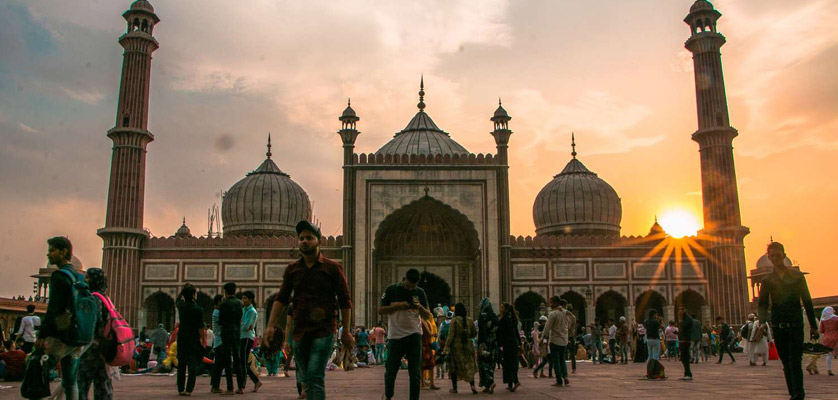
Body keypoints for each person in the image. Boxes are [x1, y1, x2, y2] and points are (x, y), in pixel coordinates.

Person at [263, 220, 354, 400]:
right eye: (302, 238)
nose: (305, 241)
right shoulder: (292, 269)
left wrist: (347, 331)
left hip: (324, 330)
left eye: (309, 238)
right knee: (303, 379)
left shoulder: (332, 268)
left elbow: (345, 300)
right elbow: (281, 299)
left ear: (319, 241)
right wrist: (270, 326)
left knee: (314, 376)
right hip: (300, 331)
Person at [758, 241, 819, 400]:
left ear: (784, 255)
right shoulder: (767, 281)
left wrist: (813, 325)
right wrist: (762, 322)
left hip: (795, 324)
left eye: (778, 255)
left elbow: (807, 301)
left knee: (795, 362)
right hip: (779, 325)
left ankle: (799, 394)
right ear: (769, 258)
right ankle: (794, 393)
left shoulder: (797, 277)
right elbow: (763, 304)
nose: (775, 258)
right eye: (772, 256)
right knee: (786, 363)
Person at [36, 236, 88, 399]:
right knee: (70, 381)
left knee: (37, 370)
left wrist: (42, 335)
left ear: (64, 251)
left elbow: (54, 309)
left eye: (52, 250)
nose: (48, 254)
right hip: (77, 334)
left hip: (61, 335)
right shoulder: (79, 277)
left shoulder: (60, 276)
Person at [378, 268, 432, 400]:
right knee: (391, 370)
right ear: (404, 279)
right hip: (396, 335)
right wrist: (399, 305)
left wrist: (419, 307)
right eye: (408, 285)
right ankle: (389, 395)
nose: (410, 289)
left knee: (415, 372)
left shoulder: (420, 292)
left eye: (413, 286)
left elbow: (428, 316)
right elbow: (380, 310)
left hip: (414, 334)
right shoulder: (392, 290)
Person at [76, 268, 113, 400]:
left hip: (92, 349)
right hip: (104, 348)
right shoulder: (106, 297)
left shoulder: (95, 298)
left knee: (81, 384)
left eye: (88, 277)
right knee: (103, 385)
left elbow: (94, 323)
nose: (85, 280)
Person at [175, 283, 205, 396]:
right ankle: (189, 390)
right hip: (193, 338)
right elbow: (201, 327)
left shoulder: (181, 306)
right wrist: (203, 340)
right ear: (193, 295)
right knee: (192, 365)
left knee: (181, 364)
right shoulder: (198, 309)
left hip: (182, 338)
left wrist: (182, 291)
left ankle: (180, 389)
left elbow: (177, 300)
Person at [215, 282, 244, 395]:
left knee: (227, 360)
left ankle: (230, 388)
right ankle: (240, 387)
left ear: (225, 292)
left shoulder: (224, 304)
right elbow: (240, 317)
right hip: (237, 332)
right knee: (238, 359)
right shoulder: (239, 303)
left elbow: (221, 321)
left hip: (226, 332)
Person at [443, 303, 478, 394]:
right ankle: (473, 386)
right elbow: (474, 333)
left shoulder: (454, 320)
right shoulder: (470, 320)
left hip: (456, 347)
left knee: (454, 367)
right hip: (468, 346)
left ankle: (455, 388)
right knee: (469, 366)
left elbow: (451, 335)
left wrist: (446, 347)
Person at [542, 297, 569, 387]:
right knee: (562, 360)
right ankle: (565, 376)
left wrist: (542, 338)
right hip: (564, 340)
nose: (550, 304)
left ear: (556, 303)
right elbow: (572, 321)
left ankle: (559, 380)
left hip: (555, 340)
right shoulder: (565, 313)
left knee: (556, 361)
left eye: (551, 302)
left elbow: (547, 327)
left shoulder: (553, 314)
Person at [239, 291, 263, 392]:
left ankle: (243, 386)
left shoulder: (252, 311)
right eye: (242, 298)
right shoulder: (244, 309)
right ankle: (255, 381)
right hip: (243, 336)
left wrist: (238, 326)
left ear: (250, 299)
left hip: (247, 337)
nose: (243, 300)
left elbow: (247, 326)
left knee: (243, 362)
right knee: (243, 362)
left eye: (245, 298)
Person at [476, 297, 498, 393]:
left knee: (483, 364)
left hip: (484, 343)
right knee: (491, 364)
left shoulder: (482, 316)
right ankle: (487, 386)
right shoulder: (494, 316)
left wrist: (480, 343)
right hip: (493, 344)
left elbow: (482, 331)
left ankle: (490, 382)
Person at [498, 302, 521, 392]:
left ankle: (515, 381)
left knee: (508, 363)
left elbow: (502, 332)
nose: (501, 309)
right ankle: (510, 384)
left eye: (502, 307)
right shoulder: (512, 318)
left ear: (506, 309)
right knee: (512, 362)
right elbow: (516, 332)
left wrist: (499, 342)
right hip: (513, 343)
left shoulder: (504, 319)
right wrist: (519, 343)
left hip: (508, 344)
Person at [209, 294, 226, 393]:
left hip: (218, 341)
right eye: (223, 300)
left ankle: (214, 385)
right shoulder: (218, 312)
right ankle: (215, 386)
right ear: (219, 302)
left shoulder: (216, 311)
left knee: (218, 365)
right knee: (219, 365)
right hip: (220, 341)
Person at [819, 306, 838, 376]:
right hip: (836, 337)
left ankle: (829, 369)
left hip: (826, 338)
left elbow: (821, 330)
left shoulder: (823, 320)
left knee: (828, 354)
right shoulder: (836, 318)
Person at [677, 306, 694, 380]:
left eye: (681, 310)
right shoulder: (684, 318)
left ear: (684, 310)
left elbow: (684, 327)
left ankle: (688, 374)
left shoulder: (687, 319)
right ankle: (687, 373)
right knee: (683, 358)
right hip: (682, 340)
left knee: (685, 357)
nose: (679, 311)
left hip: (685, 340)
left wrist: (680, 319)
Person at [565, 304, 578, 372]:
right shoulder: (573, 317)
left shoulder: (570, 317)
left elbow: (569, 327)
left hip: (567, 336)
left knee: (565, 352)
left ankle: (564, 368)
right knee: (572, 353)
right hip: (570, 336)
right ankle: (573, 368)